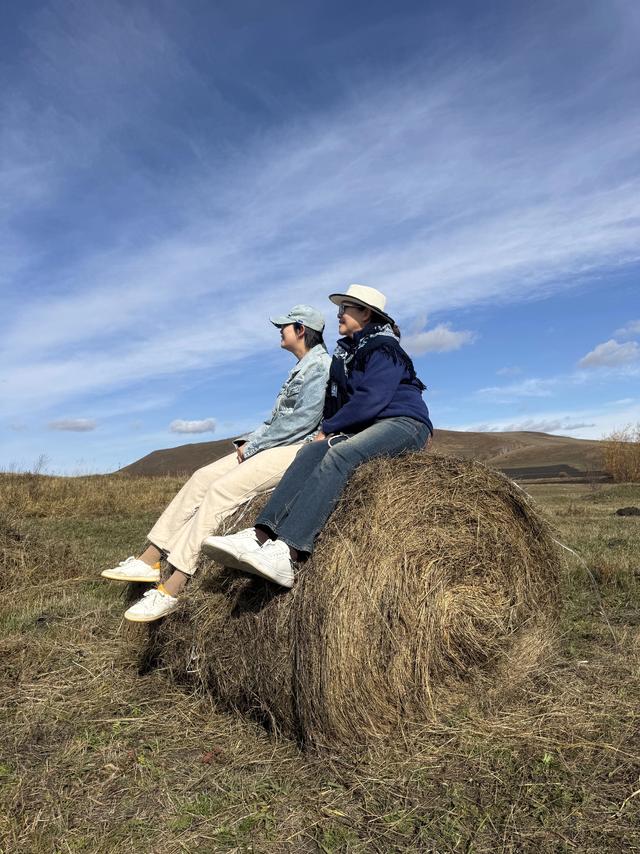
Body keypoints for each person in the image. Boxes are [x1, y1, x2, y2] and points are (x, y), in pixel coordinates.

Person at [101, 304, 332, 621]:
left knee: (222, 491)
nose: (280, 330)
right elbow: (277, 418)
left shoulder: (321, 367)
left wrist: (254, 446)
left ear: (301, 330)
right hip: (271, 442)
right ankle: (150, 558)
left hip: (293, 449)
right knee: (200, 477)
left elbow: (301, 423)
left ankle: (173, 586)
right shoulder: (303, 366)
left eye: (285, 325)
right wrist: (248, 440)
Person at [204, 284, 433, 588]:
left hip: (404, 423)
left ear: (364, 314)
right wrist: (322, 433)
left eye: (344, 309)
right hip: (367, 426)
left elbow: (372, 398)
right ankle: (259, 535)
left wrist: (329, 429)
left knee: (341, 455)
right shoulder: (346, 355)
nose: (338, 314)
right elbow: (340, 402)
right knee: (311, 453)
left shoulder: (385, 349)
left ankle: (289, 552)